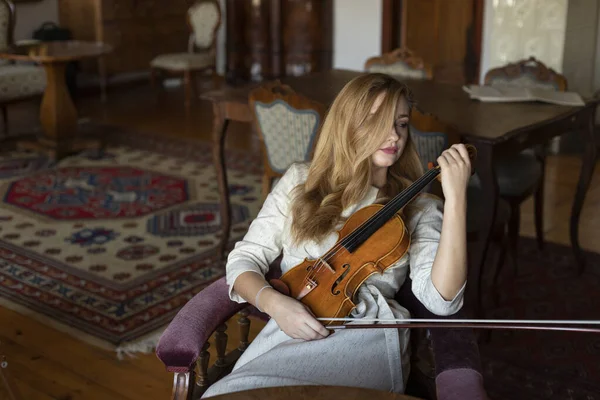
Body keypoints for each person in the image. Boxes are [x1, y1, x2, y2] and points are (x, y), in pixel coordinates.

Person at [201, 73, 470, 398]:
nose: (393, 136)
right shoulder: (301, 182)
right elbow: (245, 258)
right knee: (229, 392)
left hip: (365, 333)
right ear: (347, 124)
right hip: (292, 323)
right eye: (376, 121)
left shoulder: (419, 207)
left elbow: (442, 301)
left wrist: (456, 199)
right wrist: (275, 304)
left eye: (400, 123)